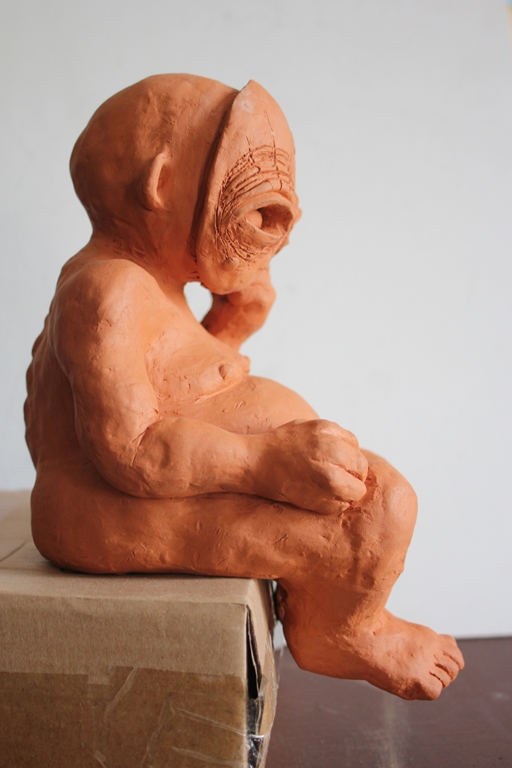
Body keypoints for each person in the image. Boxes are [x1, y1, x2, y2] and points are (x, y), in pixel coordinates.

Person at [25, 74, 464, 699]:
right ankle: (339, 631)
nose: (280, 222)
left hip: (169, 480)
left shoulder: (156, 286)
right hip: (101, 508)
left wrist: (230, 328)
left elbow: (177, 388)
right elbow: (133, 451)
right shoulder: (107, 290)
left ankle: (340, 620)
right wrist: (263, 462)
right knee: (365, 516)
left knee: (380, 500)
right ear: (161, 186)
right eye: (252, 196)